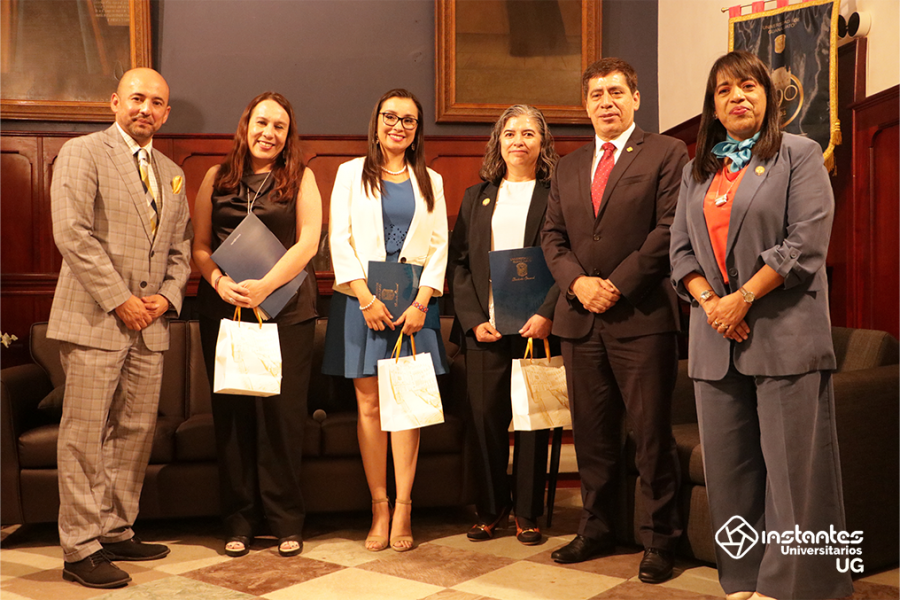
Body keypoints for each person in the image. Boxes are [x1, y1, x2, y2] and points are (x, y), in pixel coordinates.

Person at [669, 51, 853, 600]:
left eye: (748, 86)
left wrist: (742, 299)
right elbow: (680, 254)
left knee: (795, 476)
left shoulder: (800, 154)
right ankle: (743, 581)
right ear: (713, 106)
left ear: (768, 97)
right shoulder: (698, 170)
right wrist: (712, 305)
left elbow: (805, 243)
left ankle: (796, 585)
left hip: (784, 335)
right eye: (724, 90)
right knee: (730, 473)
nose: (737, 97)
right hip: (714, 340)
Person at [541, 57, 687, 584]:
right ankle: (597, 528)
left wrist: (617, 285)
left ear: (636, 98)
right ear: (585, 105)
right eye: (597, 94)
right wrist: (579, 284)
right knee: (592, 435)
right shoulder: (568, 166)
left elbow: (669, 230)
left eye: (616, 92)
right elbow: (552, 238)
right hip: (580, 319)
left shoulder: (667, 152)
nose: (606, 102)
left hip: (641, 316)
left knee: (650, 436)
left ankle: (659, 539)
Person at [49, 68, 192, 589]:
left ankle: (114, 529)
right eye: (137, 98)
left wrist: (167, 297)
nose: (145, 109)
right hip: (95, 320)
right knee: (84, 437)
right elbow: (72, 233)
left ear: (166, 113)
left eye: (156, 102)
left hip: (149, 327)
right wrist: (121, 300)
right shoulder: (83, 153)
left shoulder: (172, 172)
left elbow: (180, 249)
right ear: (115, 102)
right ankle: (80, 549)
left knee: (133, 434)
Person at [192, 92, 322, 559]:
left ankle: (286, 521)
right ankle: (239, 520)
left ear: (289, 135)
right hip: (225, 309)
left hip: (285, 311)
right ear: (246, 125)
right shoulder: (215, 177)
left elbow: (308, 243)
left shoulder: (301, 177)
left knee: (282, 418)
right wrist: (218, 280)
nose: (269, 133)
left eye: (279, 126)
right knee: (233, 417)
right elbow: (200, 245)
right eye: (262, 122)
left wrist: (266, 285)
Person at [322, 89, 448, 552]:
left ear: (417, 130)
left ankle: (404, 508)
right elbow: (339, 239)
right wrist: (365, 298)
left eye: (408, 120)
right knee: (370, 407)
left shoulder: (432, 179)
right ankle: (379, 506)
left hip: (415, 306)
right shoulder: (349, 173)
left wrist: (421, 303)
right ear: (376, 122)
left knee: (407, 405)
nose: (398, 125)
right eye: (390, 117)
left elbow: (439, 245)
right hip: (362, 304)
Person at [448, 105, 559, 545]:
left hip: (537, 327)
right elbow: (459, 265)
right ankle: (490, 508)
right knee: (484, 420)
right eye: (510, 133)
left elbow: (567, 260)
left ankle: (527, 512)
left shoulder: (556, 194)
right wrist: (473, 320)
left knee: (532, 422)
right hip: (487, 328)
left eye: (528, 133)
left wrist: (548, 312)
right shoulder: (476, 197)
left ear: (541, 142)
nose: (518, 140)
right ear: (498, 142)